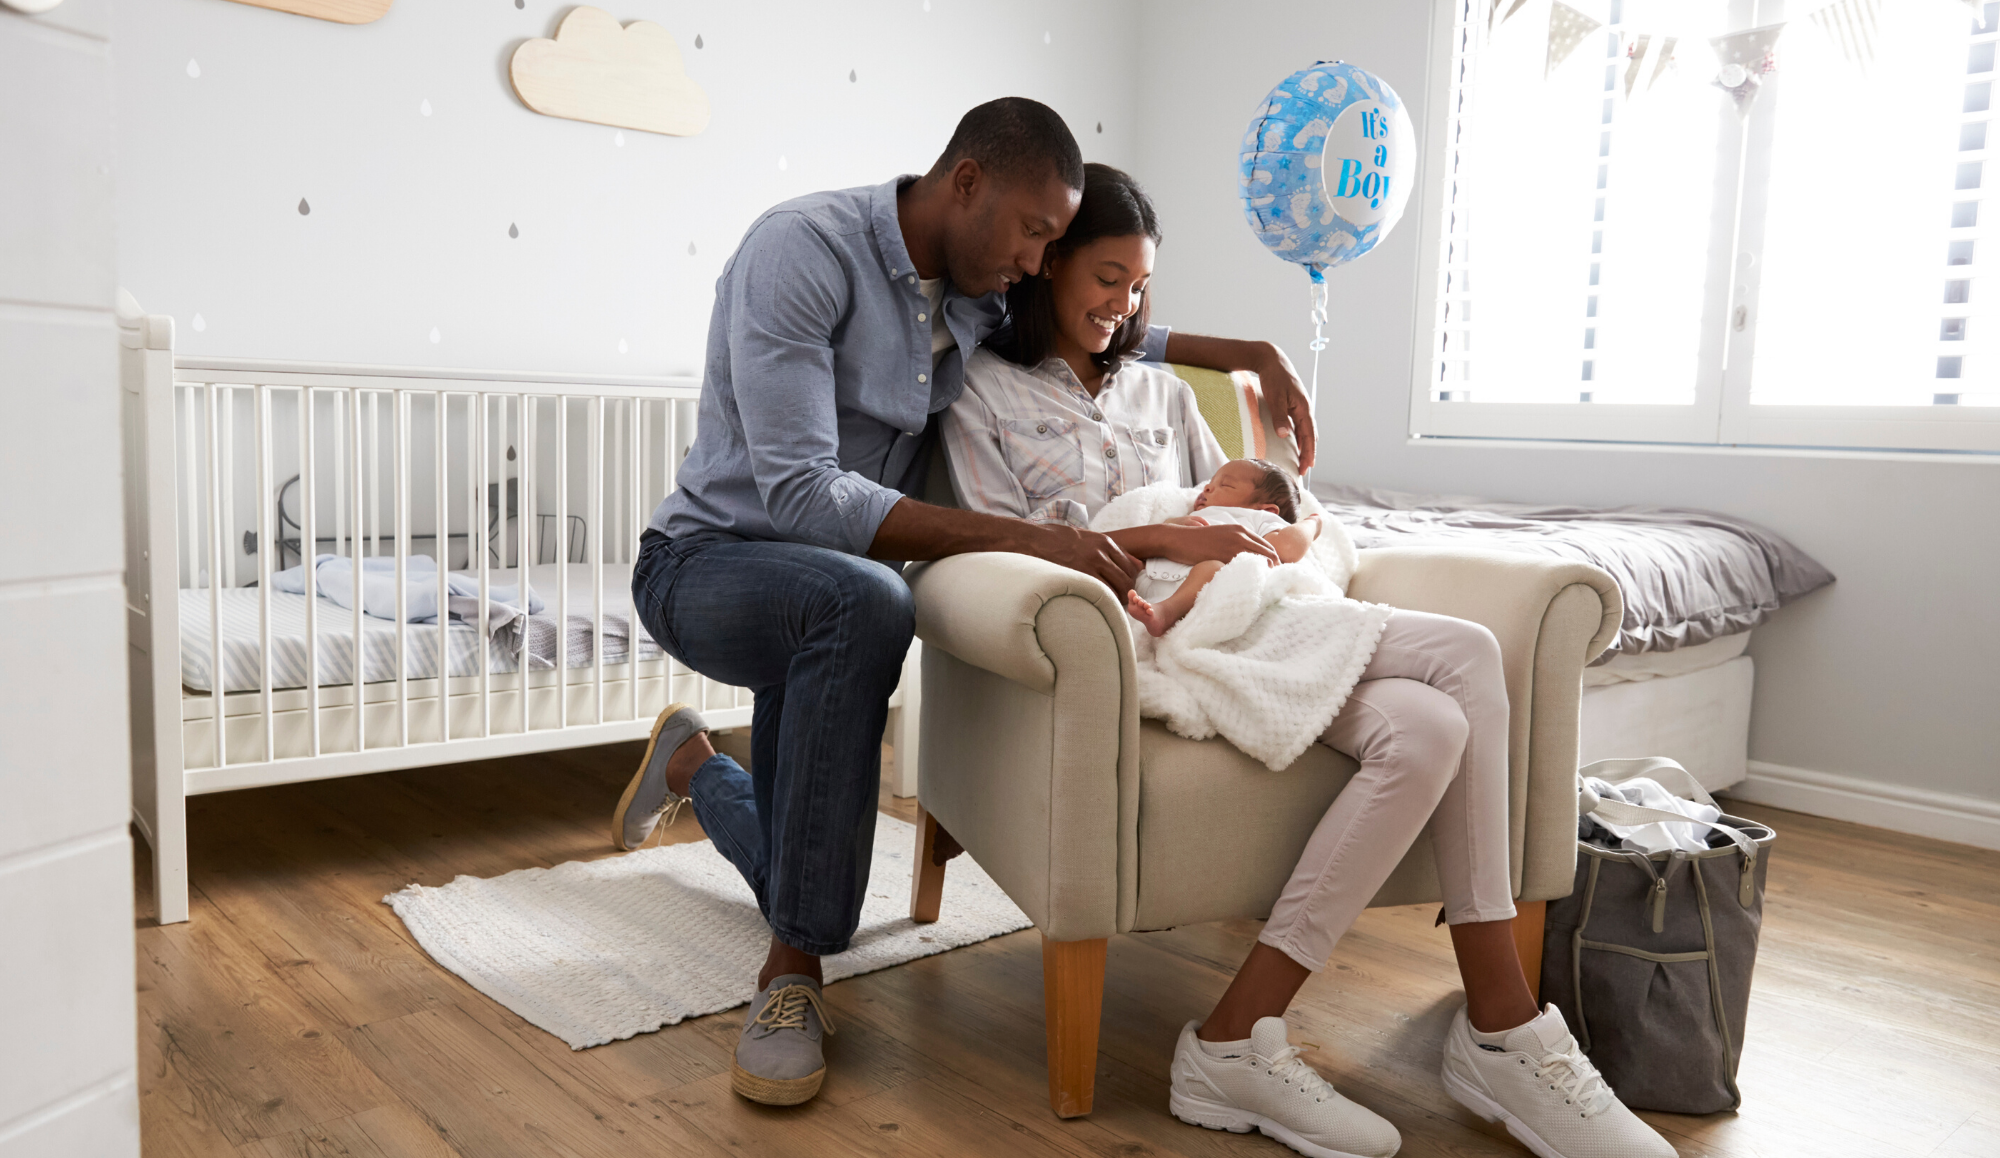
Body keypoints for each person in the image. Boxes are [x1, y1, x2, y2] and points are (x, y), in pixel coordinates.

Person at [941, 163, 1676, 1158]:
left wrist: (1275, 526)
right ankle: (1502, 1024)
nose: (1123, 305)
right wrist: (1180, 545)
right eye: (1104, 278)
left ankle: (1236, 1032)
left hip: (1248, 625)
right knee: (1463, 655)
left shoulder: (1159, 394)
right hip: (1128, 642)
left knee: (1429, 729)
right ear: (1047, 265)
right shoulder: (980, 391)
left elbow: (1241, 501)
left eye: (1138, 287)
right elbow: (1008, 546)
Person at [617, 99, 1314, 1107]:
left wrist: (1247, 351)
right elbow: (803, 495)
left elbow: (1110, 320)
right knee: (861, 603)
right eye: (1035, 232)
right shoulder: (799, 250)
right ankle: (789, 978)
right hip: (707, 564)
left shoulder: (981, 291)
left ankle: (690, 763)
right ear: (967, 184)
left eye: (1051, 243)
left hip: (821, 599)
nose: (1040, 261)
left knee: (802, 839)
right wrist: (1049, 540)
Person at [1121, 457, 1323, 637]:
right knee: (1124, 562)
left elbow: (1287, 547)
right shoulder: (1189, 512)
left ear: (1265, 508)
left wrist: (1313, 524)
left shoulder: (1260, 518)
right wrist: (1175, 523)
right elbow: (1158, 537)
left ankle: (1166, 612)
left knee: (1212, 567)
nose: (1207, 488)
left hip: (1195, 586)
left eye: (1225, 485)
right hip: (1147, 579)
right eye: (1210, 483)